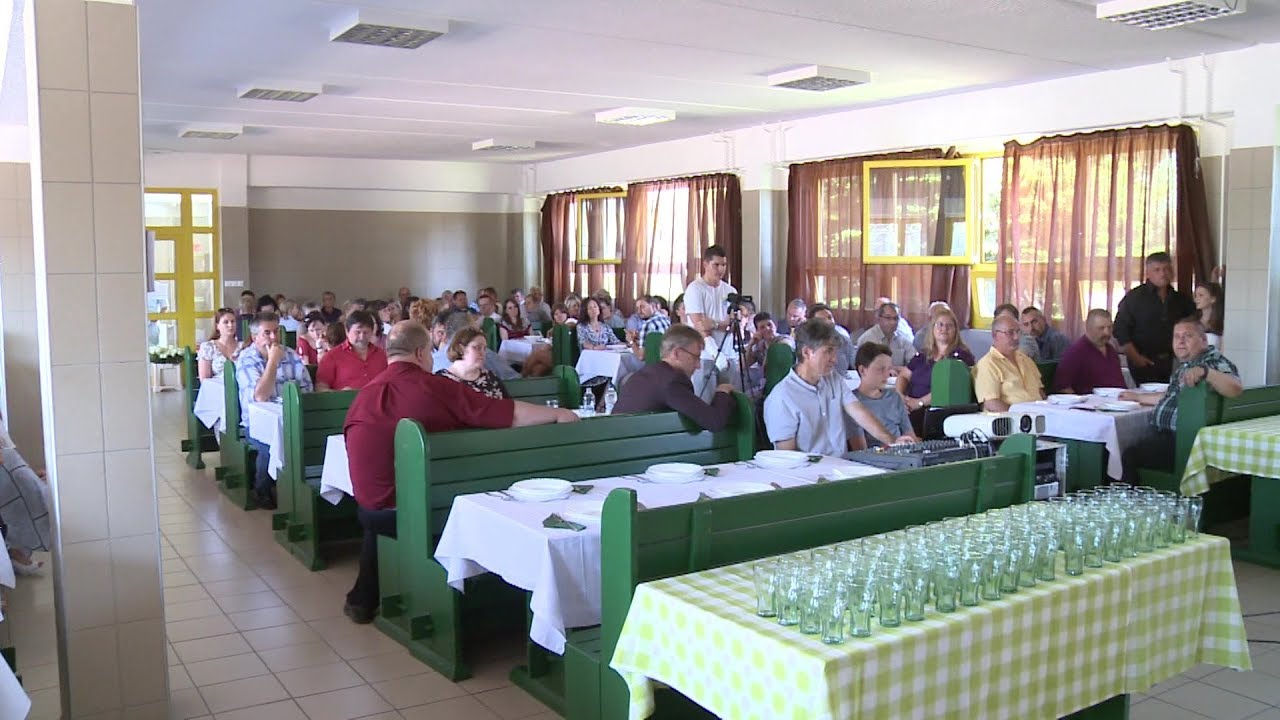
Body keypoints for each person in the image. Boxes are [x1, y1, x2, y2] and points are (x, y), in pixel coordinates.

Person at [342, 321, 578, 622]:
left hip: (370, 509)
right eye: (431, 353)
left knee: (398, 494)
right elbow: (508, 414)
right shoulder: (432, 386)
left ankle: (362, 598)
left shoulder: (364, 395)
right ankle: (504, 600)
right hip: (415, 511)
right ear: (420, 353)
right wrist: (558, 413)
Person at [1120, 319, 1242, 483]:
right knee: (1129, 443)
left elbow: (1235, 388)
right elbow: (1172, 397)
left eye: (1187, 336)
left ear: (1203, 340)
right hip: (1175, 438)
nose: (1181, 341)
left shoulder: (1211, 362)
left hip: (1187, 443)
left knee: (1128, 455)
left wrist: (1206, 372)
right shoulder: (1187, 365)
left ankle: (1127, 497)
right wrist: (1137, 397)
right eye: (1176, 336)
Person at [764, 320, 911, 454]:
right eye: (828, 351)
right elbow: (787, 457)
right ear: (807, 352)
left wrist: (893, 442)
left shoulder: (832, 378)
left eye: (835, 352)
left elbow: (859, 413)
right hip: (809, 472)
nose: (835, 359)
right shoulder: (782, 398)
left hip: (841, 466)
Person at [236, 312, 314, 509]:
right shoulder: (246, 359)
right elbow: (260, 396)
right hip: (256, 423)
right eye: (267, 333)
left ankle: (301, 488)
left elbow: (307, 388)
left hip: (292, 416)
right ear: (255, 337)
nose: (273, 338)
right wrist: (272, 361)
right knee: (270, 444)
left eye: (276, 332)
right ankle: (262, 489)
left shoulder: (291, 355)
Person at [613, 324, 738, 431]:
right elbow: (714, 421)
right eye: (695, 357)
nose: (698, 366)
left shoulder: (647, 373)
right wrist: (722, 391)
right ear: (677, 353)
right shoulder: (672, 382)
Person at [1114, 251, 1196, 384]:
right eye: (1157, 270)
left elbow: (1195, 324)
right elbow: (1120, 330)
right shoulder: (1135, 298)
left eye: (1166, 269)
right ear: (1148, 273)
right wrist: (1135, 358)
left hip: (1173, 361)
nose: (1162, 274)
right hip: (1143, 361)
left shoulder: (1180, 299)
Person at [683, 245, 744, 400]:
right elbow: (700, 326)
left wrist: (716, 324)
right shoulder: (695, 289)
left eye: (723, 265)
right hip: (705, 355)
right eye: (716, 265)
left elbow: (734, 324)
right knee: (706, 402)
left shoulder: (730, 290)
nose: (720, 269)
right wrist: (715, 353)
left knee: (729, 401)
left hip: (728, 354)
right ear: (705, 264)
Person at [896, 307, 975, 414]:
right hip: (910, 408)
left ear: (956, 330)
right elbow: (904, 376)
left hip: (939, 412)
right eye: (940, 325)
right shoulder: (923, 355)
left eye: (949, 325)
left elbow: (948, 389)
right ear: (932, 328)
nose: (944, 328)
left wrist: (919, 403)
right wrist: (900, 396)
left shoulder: (962, 357)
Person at [852, 343, 918, 447]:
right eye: (881, 369)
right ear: (862, 370)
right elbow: (860, 449)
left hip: (903, 451)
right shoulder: (852, 402)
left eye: (889, 369)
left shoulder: (894, 397)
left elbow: (909, 434)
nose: (887, 374)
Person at [974, 315, 1044, 411]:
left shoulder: (1025, 359)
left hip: (1040, 415)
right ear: (995, 335)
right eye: (1010, 332)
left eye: (1018, 332)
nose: (1016, 337)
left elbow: (1040, 392)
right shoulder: (987, 364)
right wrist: (1020, 416)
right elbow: (991, 404)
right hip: (1011, 418)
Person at [1053, 309, 1126, 395]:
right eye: (1101, 328)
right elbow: (1063, 387)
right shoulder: (1076, 352)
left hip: (1120, 399)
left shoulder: (1111, 350)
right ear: (1088, 328)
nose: (1107, 333)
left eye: (1109, 327)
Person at [316, 311, 387, 391]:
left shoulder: (381, 355)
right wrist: (340, 394)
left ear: (372, 332)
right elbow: (320, 387)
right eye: (357, 332)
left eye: (366, 332)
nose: (362, 337)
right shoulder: (332, 356)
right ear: (347, 331)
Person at [436, 327, 509, 400]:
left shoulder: (490, 378)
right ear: (461, 349)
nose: (483, 353)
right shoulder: (441, 380)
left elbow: (507, 404)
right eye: (477, 347)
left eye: (484, 349)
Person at [855, 302, 913, 368]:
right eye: (888, 318)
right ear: (879, 319)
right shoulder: (867, 339)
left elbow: (914, 364)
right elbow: (862, 366)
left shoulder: (903, 339)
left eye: (895, 318)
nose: (892, 322)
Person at [807, 303, 855, 373]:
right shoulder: (807, 343)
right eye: (822, 319)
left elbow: (854, 363)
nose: (828, 321)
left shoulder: (844, 340)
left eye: (829, 317)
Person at [198, 308, 244, 379]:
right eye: (226, 322)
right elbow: (204, 379)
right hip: (215, 385)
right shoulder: (208, 347)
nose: (230, 325)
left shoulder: (243, 347)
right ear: (217, 326)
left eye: (233, 321)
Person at [627, 295, 672, 359]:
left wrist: (631, 341)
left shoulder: (647, 325)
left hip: (653, 362)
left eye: (642, 307)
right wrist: (640, 337)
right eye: (637, 308)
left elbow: (641, 356)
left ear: (653, 306)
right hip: (667, 360)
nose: (639, 311)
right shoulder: (666, 320)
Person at [1194, 281, 1224, 347]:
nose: (1196, 299)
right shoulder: (1193, 321)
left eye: (1201, 295)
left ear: (1213, 299)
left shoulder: (1221, 322)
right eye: (1196, 296)